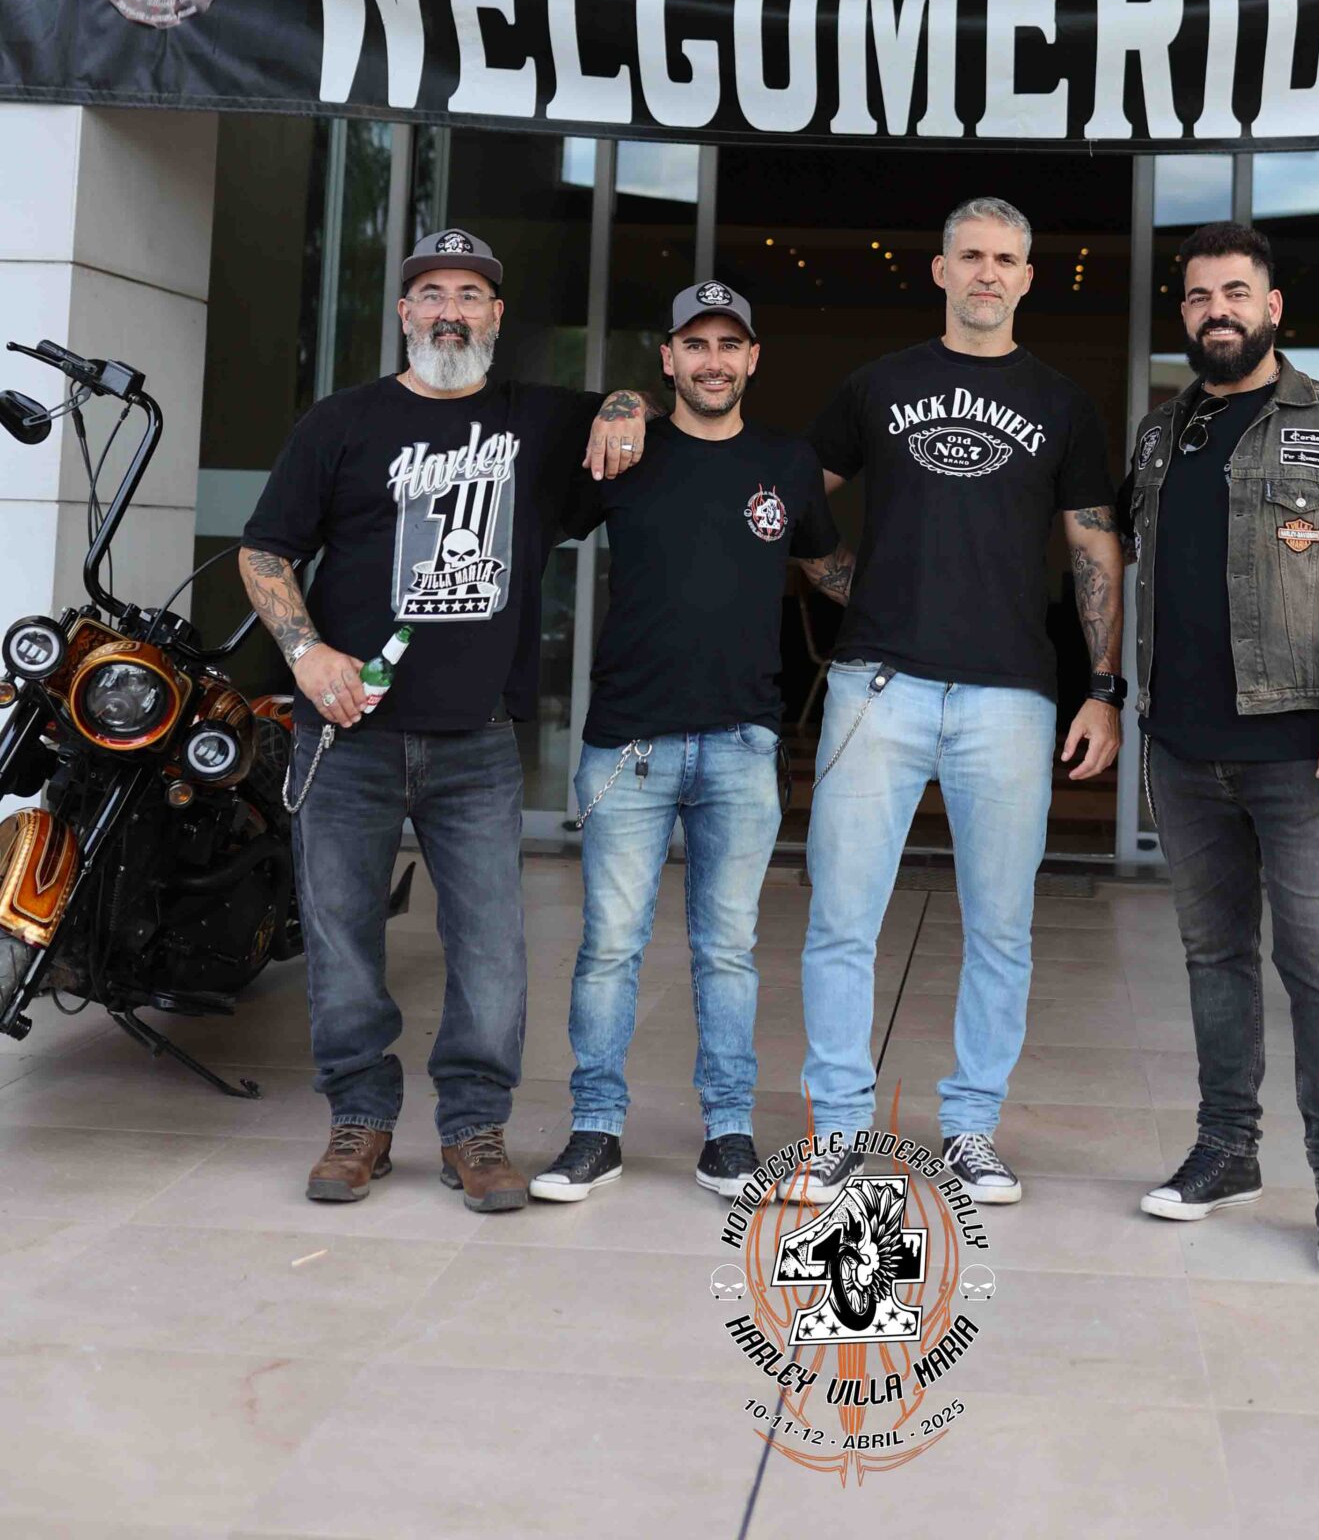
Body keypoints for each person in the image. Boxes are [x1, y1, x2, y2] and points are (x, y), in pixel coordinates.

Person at [239, 227, 652, 1212]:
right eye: (432, 293)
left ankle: (473, 1127)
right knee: (342, 937)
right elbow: (264, 551)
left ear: (496, 315)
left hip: (477, 738)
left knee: (491, 950)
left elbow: (635, 405)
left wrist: (628, 407)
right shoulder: (342, 422)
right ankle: (360, 1120)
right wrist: (307, 653)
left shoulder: (538, 420)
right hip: (347, 735)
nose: (450, 310)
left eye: (470, 294)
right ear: (404, 312)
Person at [791, 198, 1125, 1207]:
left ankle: (972, 1127)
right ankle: (837, 1130)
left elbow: (1093, 546)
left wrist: (1102, 688)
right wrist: (853, 584)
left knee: (1001, 929)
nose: (987, 272)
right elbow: (793, 492)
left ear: (1028, 278)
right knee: (842, 919)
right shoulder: (877, 384)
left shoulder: (1061, 402)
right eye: (970, 256)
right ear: (938, 271)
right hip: (876, 685)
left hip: (1010, 697)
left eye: (1005, 259)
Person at [1118, 221, 1319, 1276]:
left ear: (1273, 306)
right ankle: (1226, 1150)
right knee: (1214, 958)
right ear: (1184, 311)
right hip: (1181, 746)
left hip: (1300, 749)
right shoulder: (1160, 434)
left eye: (1236, 293)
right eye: (1200, 296)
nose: (1218, 311)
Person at [531, 279, 853, 1207]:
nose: (714, 362)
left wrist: (920, 613)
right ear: (668, 358)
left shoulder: (787, 462)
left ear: (753, 358)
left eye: (729, 345)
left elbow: (828, 569)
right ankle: (596, 1129)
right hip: (628, 745)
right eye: (696, 345)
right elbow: (541, 497)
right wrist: (613, 405)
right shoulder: (626, 448)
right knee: (609, 948)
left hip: (743, 745)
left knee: (727, 951)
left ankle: (728, 1133)